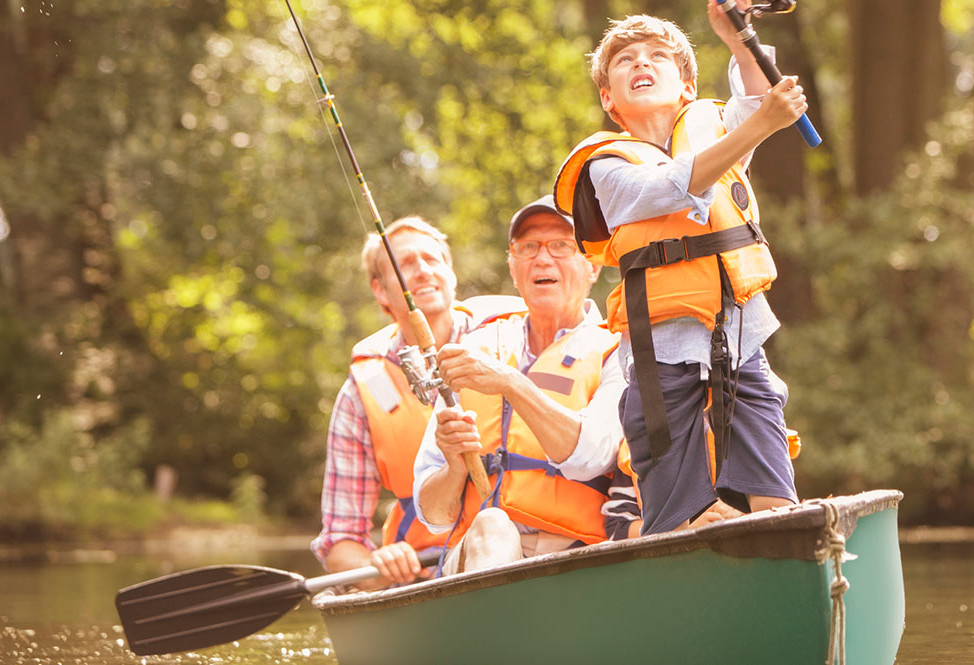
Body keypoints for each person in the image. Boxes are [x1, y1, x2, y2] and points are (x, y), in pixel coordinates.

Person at [552, 3, 805, 536]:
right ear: (608, 97)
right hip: (656, 355)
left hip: (741, 337)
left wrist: (737, 35)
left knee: (776, 500)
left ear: (687, 84)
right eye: (624, 61)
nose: (640, 63)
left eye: (657, 57)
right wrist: (761, 125)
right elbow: (666, 187)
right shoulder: (604, 165)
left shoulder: (715, 125)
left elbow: (757, 95)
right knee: (674, 518)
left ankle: (784, 558)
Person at [412, 196, 636, 574]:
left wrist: (511, 383)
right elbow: (433, 515)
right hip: (478, 550)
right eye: (528, 247)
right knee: (493, 525)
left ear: (591, 265)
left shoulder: (616, 351)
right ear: (513, 267)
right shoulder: (475, 349)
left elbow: (590, 458)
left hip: (580, 557)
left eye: (562, 245)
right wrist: (454, 467)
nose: (543, 259)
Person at [312, 217, 524, 591]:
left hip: (526, 543)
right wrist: (377, 563)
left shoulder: (513, 337)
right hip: (427, 576)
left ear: (451, 274)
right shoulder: (364, 390)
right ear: (380, 291)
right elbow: (339, 541)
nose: (423, 270)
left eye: (432, 259)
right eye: (405, 264)